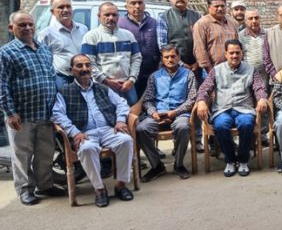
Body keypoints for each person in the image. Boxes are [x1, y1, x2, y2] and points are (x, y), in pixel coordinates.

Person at [52, 54, 134, 208]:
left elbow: (122, 103)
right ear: (71, 70)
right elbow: (57, 114)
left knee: (126, 141)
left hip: (107, 129)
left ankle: (121, 185)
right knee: (88, 148)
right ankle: (100, 189)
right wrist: (74, 132)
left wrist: (120, 120)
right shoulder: (65, 92)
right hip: (84, 133)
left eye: (87, 65)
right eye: (80, 66)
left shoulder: (102, 88)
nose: (85, 69)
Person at [1, 11, 64, 206]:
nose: (28, 28)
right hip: (21, 115)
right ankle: (25, 190)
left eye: (30, 24)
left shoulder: (44, 49)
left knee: (45, 153)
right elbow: (2, 85)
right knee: (22, 155)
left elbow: (50, 78)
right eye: (22, 25)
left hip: (45, 113)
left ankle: (45, 185)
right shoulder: (6, 53)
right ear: (12, 28)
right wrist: (10, 112)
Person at [196, 39, 269, 177]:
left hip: (244, 109)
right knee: (221, 125)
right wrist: (201, 101)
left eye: (237, 53)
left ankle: (242, 160)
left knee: (247, 124)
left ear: (242, 53)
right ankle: (230, 160)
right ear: (226, 54)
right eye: (231, 53)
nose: (234, 56)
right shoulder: (216, 70)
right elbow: (205, 88)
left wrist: (262, 98)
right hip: (222, 110)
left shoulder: (251, 70)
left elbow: (259, 87)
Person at [137, 45, 197, 181]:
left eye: (173, 56)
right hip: (158, 115)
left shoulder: (188, 74)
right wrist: (154, 114)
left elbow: (192, 99)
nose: (170, 59)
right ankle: (157, 165)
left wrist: (175, 112)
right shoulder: (155, 77)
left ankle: (178, 164)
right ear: (162, 59)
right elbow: (148, 100)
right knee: (141, 128)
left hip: (179, 114)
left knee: (183, 127)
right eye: (166, 57)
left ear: (179, 58)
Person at [157, 0, 204, 153]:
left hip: (196, 67)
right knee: (177, 103)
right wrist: (183, 64)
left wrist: (197, 63)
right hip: (174, 70)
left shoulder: (196, 16)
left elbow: (201, 42)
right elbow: (162, 45)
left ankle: (197, 139)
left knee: (196, 103)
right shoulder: (164, 17)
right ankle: (178, 142)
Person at [81, 2, 142, 105]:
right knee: (106, 116)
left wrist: (131, 80)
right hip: (103, 86)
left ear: (118, 16)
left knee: (130, 115)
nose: (111, 18)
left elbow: (137, 58)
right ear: (99, 16)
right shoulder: (91, 36)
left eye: (114, 15)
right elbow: (88, 63)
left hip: (127, 86)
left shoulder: (128, 35)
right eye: (107, 15)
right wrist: (106, 80)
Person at [37, 0, 88, 88]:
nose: (65, 10)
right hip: (62, 79)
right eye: (61, 7)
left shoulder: (83, 29)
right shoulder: (46, 34)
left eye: (68, 6)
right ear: (52, 12)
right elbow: (43, 61)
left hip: (82, 78)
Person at [118, 0, 161, 98]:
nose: (137, 6)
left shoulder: (155, 23)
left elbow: (162, 47)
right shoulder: (120, 25)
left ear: (144, 5)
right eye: (133, 3)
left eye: (140, 2)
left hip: (153, 73)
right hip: (130, 76)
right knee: (133, 105)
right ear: (126, 6)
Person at [239, 10, 270, 146]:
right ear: (245, 21)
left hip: (265, 75)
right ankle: (250, 136)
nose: (254, 21)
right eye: (250, 18)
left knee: (263, 104)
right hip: (247, 76)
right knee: (249, 105)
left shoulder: (267, 34)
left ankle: (262, 135)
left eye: (256, 18)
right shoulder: (240, 35)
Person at [193, 0, 239, 74]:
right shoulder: (202, 24)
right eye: (216, 6)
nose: (220, 9)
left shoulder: (233, 23)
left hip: (233, 69)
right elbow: (200, 50)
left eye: (222, 6)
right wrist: (210, 71)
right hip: (212, 70)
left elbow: (238, 46)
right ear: (209, 7)